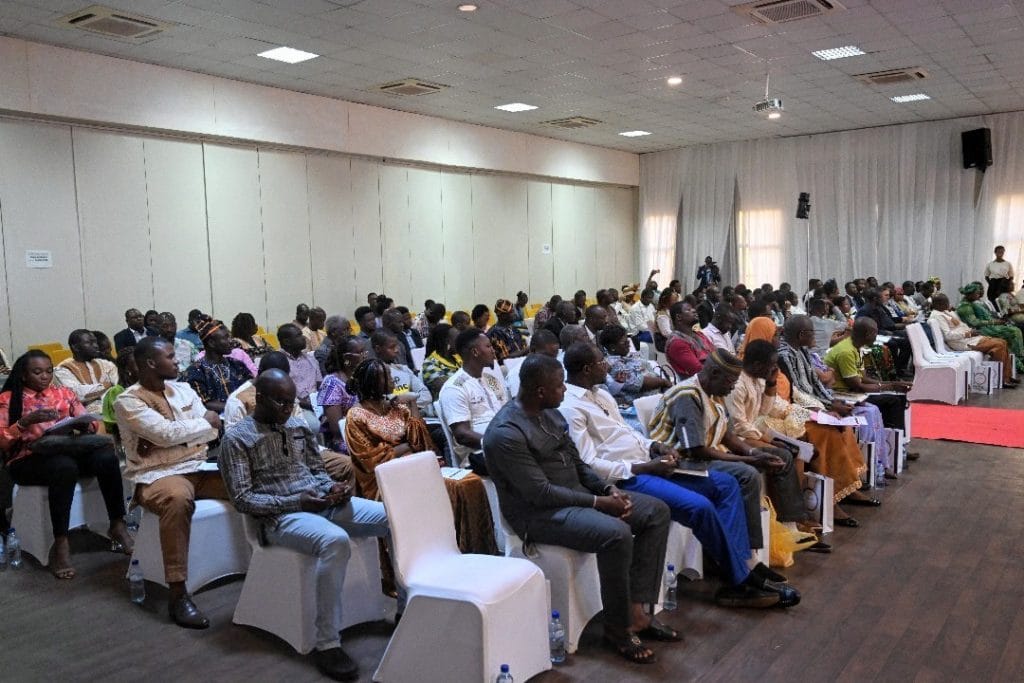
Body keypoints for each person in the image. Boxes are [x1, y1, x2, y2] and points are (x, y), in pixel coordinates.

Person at [558, 342, 793, 608]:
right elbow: (588, 463)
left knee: (727, 484)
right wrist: (645, 467)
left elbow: (628, 433)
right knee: (700, 506)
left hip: (650, 461)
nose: (608, 365)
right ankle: (740, 580)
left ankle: (741, 564)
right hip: (627, 476)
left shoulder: (601, 395)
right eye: (603, 362)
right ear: (587, 369)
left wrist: (656, 447)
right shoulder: (571, 407)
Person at [483, 354, 675, 664]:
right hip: (538, 515)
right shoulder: (506, 433)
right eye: (559, 385)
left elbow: (579, 464)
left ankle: (638, 611)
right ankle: (618, 629)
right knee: (616, 534)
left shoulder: (551, 414)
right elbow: (540, 493)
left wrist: (607, 489)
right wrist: (600, 503)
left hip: (578, 496)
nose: (565, 389)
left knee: (656, 512)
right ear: (540, 391)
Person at [219, 370, 388, 681]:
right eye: (281, 402)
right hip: (279, 518)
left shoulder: (297, 426)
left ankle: (405, 607)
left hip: (318, 503)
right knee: (335, 540)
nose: (288, 409)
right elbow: (243, 499)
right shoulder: (236, 438)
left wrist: (333, 488)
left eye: (291, 402)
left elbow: (316, 472)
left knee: (391, 517)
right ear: (260, 399)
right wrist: (298, 502)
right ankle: (328, 643)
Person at [648, 349, 814, 549]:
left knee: (778, 456)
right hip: (680, 463)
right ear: (714, 373)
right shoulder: (687, 396)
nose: (733, 386)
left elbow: (727, 435)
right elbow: (696, 450)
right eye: (731, 381)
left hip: (705, 454)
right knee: (748, 474)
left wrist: (753, 452)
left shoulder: (714, 391)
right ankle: (748, 551)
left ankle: (789, 527)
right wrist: (749, 460)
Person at [114, 337, 224, 628]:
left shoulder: (184, 389)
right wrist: (196, 429)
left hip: (198, 466)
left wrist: (177, 437)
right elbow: (166, 434)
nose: (177, 361)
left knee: (243, 483)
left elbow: (212, 432)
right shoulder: (128, 400)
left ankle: (261, 563)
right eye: (171, 356)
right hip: (157, 475)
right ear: (151, 363)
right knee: (176, 499)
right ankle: (177, 594)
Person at [0, 350, 132, 579]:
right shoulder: (8, 398)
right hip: (27, 459)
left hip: (69, 449)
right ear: (23, 375)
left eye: (48, 371)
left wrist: (84, 426)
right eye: (37, 372)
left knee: (106, 458)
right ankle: (61, 541)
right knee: (64, 466)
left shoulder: (63, 393)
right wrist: (24, 423)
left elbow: (89, 422)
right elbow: (2, 442)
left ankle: (117, 524)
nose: (45, 376)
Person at [344, 359, 496, 554]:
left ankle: (470, 550)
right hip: (385, 479)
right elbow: (371, 459)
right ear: (373, 382)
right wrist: (406, 446)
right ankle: (438, 550)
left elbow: (421, 440)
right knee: (447, 488)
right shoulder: (356, 416)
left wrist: (412, 402)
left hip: (416, 466)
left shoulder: (395, 407)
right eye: (387, 377)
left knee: (469, 483)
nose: (393, 380)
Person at [728, 339, 872, 527]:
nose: (775, 369)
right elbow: (740, 425)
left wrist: (771, 384)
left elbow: (768, 408)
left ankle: (811, 509)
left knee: (803, 448)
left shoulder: (759, 379)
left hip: (758, 428)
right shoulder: (738, 385)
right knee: (788, 453)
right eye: (772, 365)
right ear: (757, 365)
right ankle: (796, 519)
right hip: (743, 436)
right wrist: (768, 439)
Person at [777, 315, 894, 482]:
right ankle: (841, 483)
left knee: (850, 422)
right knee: (833, 430)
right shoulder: (784, 356)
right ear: (802, 334)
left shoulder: (801, 351)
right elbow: (798, 392)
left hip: (815, 403)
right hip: (799, 409)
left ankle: (860, 474)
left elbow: (815, 384)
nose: (815, 336)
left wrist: (833, 403)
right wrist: (828, 407)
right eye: (812, 332)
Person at [824, 318, 912, 432]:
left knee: (899, 396)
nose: (876, 337)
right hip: (842, 394)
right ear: (868, 334)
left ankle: (897, 439)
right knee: (893, 400)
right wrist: (892, 386)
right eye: (875, 333)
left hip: (853, 391)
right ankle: (892, 438)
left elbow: (864, 378)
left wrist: (892, 384)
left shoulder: (856, 347)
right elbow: (858, 386)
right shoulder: (846, 352)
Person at [438, 329, 508, 468]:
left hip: (505, 445)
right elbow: (462, 435)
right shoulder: (454, 388)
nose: (493, 350)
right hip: (478, 454)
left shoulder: (491, 380)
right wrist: (496, 443)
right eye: (488, 346)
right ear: (475, 352)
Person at [931, 293, 1018, 387]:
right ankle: (1002, 380)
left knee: (1002, 342)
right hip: (962, 343)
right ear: (938, 304)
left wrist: (970, 331)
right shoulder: (937, 316)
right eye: (946, 303)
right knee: (999, 345)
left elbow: (960, 325)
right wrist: (968, 334)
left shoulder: (944, 312)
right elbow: (948, 335)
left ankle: (1007, 376)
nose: (948, 304)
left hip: (970, 338)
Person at [184, 318, 254, 413]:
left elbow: (250, 387)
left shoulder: (237, 364)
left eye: (230, 337)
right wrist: (236, 407)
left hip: (245, 414)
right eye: (226, 338)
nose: (231, 341)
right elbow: (203, 403)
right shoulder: (195, 371)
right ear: (211, 343)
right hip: (216, 419)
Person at [956, 282, 1024, 374]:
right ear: (970, 294)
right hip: (981, 330)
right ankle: (1019, 361)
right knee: (1014, 332)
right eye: (977, 293)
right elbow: (974, 322)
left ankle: (1018, 360)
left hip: (987, 327)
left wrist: (996, 321)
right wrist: (994, 322)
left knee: (1014, 330)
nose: (979, 294)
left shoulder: (972, 303)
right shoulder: (965, 307)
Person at [317, 337, 368, 452]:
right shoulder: (332, 383)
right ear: (347, 357)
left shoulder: (363, 375)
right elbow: (336, 428)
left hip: (367, 428)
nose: (365, 356)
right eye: (360, 352)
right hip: (345, 437)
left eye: (365, 351)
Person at [599, 325, 671, 405]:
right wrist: (664, 382)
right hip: (647, 402)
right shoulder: (614, 366)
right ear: (612, 347)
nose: (629, 344)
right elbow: (639, 384)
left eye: (627, 340)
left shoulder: (624, 357)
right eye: (624, 342)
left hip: (657, 394)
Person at [53, 329, 118, 413]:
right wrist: (107, 385)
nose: (96, 346)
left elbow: (118, 384)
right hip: (83, 415)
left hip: (111, 408)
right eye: (90, 343)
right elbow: (77, 393)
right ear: (75, 347)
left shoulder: (105, 364)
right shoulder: (63, 369)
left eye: (95, 342)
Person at [369, 330, 432, 415]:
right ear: (378, 349)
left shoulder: (404, 370)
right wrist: (409, 400)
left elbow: (426, 396)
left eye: (397, 346)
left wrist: (402, 405)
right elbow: (378, 405)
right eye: (392, 347)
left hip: (411, 415)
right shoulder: (371, 374)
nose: (397, 350)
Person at [277, 323, 323, 434]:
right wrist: (307, 404)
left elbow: (320, 385)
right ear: (287, 342)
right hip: (295, 406)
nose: (304, 338)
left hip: (317, 403)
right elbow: (281, 394)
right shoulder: (279, 361)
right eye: (299, 335)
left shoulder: (310, 359)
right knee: (313, 425)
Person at [855, 288, 912, 376]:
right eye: (880, 297)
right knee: (893, 343)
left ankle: (900, 367)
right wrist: (885, 332)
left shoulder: (878, 308)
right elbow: (864, 329)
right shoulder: (864, 310)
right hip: (871, 336)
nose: (883, 299)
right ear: (875, 299)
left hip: (883, 332)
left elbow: (888, 323)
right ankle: (893, 370)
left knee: (906, 339)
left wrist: (903, 325)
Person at [506, 329, 559, 398]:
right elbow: (520, 403)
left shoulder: (553, 369)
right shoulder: (516, 375)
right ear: (533, 350)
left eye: (555, 357)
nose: (552, 361)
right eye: (548, 356)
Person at [665, 301, 712, 379]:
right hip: (698, 383)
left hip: (714, 376)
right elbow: (699, 371)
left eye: (693, 308)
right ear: (679, 317)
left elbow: (716, 353)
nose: (694, 310)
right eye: (688, 309)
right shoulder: (677, 343)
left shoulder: (699, 334)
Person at [101, 350, 138, 434]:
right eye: (138, 364)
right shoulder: (117, 392)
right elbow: (122, 423)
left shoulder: (147, 386)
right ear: (127, 369)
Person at [421, 323, 461, 399]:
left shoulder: (458, 358)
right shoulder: (430, 364)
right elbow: (448, 388)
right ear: (447, 342)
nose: (461, 342)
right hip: (447, 402)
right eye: (457, 339)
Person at [487, 299, 528, 363]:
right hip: (506, 367)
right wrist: (528, 349)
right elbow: (505, 358)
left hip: (521, 363)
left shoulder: (514, 329)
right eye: (512, 312)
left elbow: (522, 346)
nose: (515, 314)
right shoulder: (494, 334)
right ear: (503, 316)